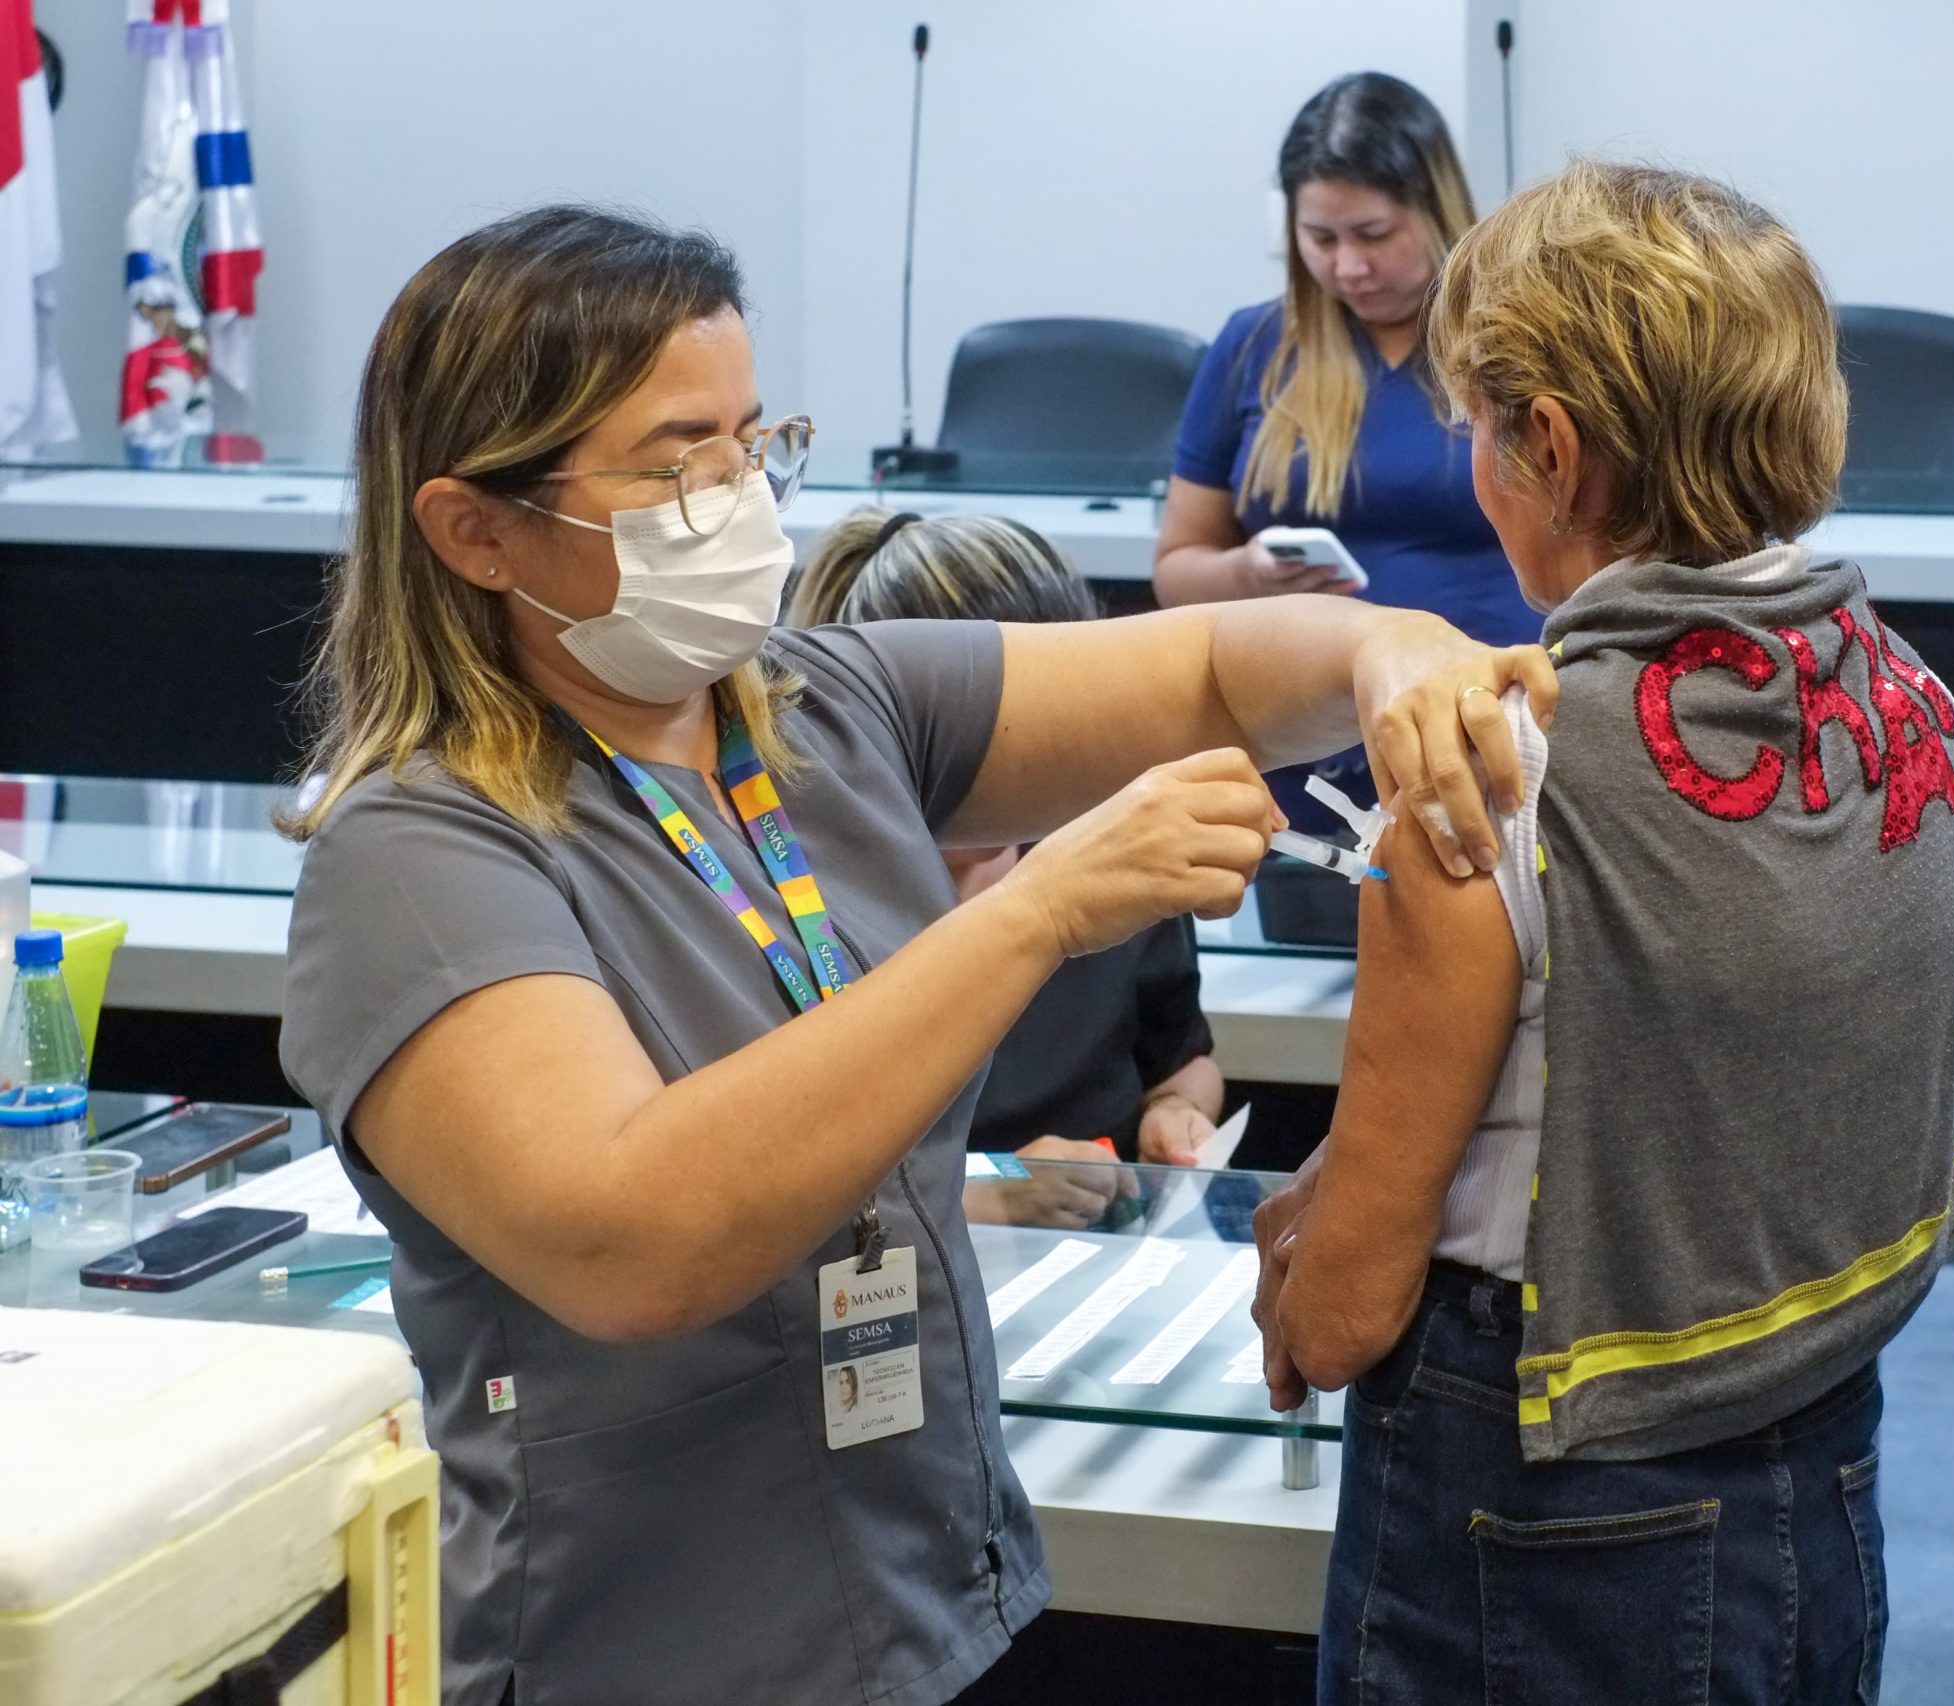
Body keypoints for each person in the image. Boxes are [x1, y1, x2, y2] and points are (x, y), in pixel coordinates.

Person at [276, 205, 1552, 1706]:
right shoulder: (418, 856)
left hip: (939, 1600)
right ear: (472, 526)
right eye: (678, 464)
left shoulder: (821, 709)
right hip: (655, 1654)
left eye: (753, 444)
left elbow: (1211, 664)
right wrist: (1034, 913)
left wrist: (1386, 651)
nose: (737, 497)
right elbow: (633, 1231)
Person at [1249, 161, 1954, 1705]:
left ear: (1550, 445)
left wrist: (1303, 1239)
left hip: (1536, 1487)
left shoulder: (1493, 779)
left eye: (1481, 423)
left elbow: (1342, 1312)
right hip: (1826, 1454)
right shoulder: (1906, 699)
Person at [788, 506, 1225, 1232]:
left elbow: (1182, 1062)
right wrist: (989, 1195)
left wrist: (1175, 1115)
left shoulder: (1115, 854)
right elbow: (774, 1182)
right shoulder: (808, 902)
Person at [1155, 71, 1539, 834]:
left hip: (1488, 740)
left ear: (1437, 211)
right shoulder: (1253, 346)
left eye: (1373, 235)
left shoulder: (1515, 343)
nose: (1347, 268)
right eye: (1319, 239)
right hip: (1298, 752)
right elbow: (1176, 570)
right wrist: (1248, 573)